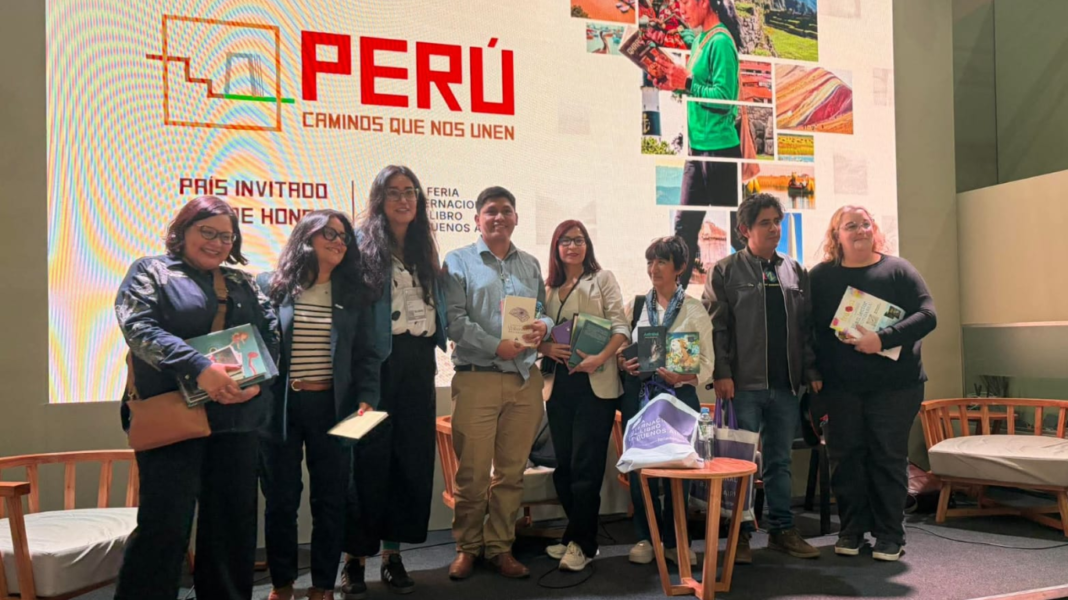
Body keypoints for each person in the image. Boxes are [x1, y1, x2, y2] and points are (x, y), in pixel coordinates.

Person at [113, 195, 279, 600]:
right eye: (208, 232)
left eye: (227, 236)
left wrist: (257, 382)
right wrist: (199, 367)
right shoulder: (151, 271)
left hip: (237, 419)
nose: (217, 243)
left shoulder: (242, 282)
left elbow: (270, 334)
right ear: (183, 230)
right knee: (164, 525)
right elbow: (138, 328)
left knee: (232, 527)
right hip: (173, 419)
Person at [258, 210, 380, 600]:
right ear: (306, 236)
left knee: (330, 500)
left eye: (344, 236)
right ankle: (282, 584)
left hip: (334, 408)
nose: (339, 241)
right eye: (330, 233)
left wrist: (367, 400)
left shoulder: (354, 294)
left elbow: (367, 356)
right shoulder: (272, 287)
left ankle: (323, 585)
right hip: (282, 408)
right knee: (281, 500)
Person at [341, 166, 448, 597]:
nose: (404, 200)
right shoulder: (361, 247)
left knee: (409, 461)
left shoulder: (424, 248)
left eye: (410, 192)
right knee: (364, 462)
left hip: (418, 365)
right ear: (378, 199)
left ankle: (392, 555)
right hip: (373, 369)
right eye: (393, 192)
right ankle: (353, 560)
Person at [809, 206, 937, 562]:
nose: (860, 230)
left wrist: (882, 339)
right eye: (851, 226)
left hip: (897, 387)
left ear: (874, 229)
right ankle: (851, 530)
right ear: (837, 235)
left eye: (866, 224)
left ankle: (890, 535)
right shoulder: (820, 277)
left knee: (888, 458)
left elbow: (928, 315)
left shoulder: (898, 270)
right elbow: (809, 330)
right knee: (845, 459)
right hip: (840, 388)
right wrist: (812, 372)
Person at [702, 193, 822, 564]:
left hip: (786, 386)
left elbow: (806, 328)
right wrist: (722, 373)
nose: (774, 229)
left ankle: (782, 531)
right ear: (744, 229)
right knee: (736, 463)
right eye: (765, 223)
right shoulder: (725, 271)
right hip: (742, 386)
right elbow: (717, 328)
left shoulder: (795, 270)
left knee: (779, 462)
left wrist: (811, 372)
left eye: (777, 222)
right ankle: (738, 536)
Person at [443, 186, 552, 580]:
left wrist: (544, 326)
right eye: (491, 211)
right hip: (478, 379)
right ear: (477, 219)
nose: (499, 217)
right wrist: (496, 346)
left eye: (507, 210)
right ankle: (467, 548)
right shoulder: (457, 261)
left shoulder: (530, 264)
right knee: (472, 473)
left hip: (524, 381)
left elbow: (544, 312)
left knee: (510, 473)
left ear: (516, 218)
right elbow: (454, 321)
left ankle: (500, 547)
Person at [538, 220, 630, 572]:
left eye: (579, 240)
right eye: (565, 241)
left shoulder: (602, 279)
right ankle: (574, 535)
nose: (572, 246)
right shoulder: (548, 288)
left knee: (585, 467)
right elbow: (535, 334)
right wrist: (546, 347)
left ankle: (584, 544)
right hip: (558, 386)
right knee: (564, 467)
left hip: (596, 386)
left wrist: (600, 358)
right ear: (556, 247)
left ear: (587, 245)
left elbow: (621, 327)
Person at [618, 236, 715, 566]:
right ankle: (646, 537)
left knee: (677, 469)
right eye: (650, 262)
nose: (654, 268)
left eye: (661, 261)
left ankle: (676, 540)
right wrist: (625, 363)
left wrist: (683, 376)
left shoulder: (694, 309)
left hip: (679, 396)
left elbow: (707, 363)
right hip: (640, 396)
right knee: (640, 468)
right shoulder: (636, 307)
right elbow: (622, 350)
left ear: (680, 267)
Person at [656, 0, 743, 288]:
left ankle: (745, 294)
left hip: (720, 151)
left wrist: (687, 83)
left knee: (736, 232)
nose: (680, 8)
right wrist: (676, 82)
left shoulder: (721, 42)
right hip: (697, 149)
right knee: (684, 226)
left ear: (704, 2)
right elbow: (695, 85)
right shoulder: (701, 40)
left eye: (684, 2)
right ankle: (675, 298)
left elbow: (725, 98)